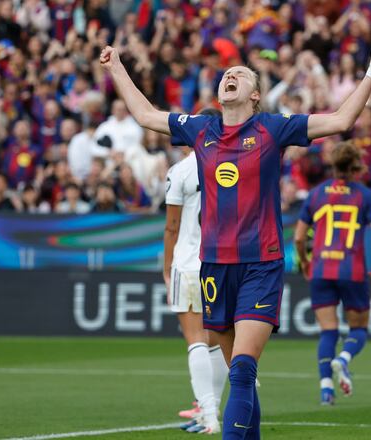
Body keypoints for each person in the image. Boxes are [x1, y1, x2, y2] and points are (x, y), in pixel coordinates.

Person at [99, 37, 371, 439]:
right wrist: (115, 66)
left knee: (241, 368)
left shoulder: (273, 128)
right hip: (215, 266)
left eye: (240, 74)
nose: (230, 76)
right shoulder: (200, 130)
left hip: (261, 263)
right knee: (241, 376)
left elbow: (340, 121)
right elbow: (147, 114)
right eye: (226, 75)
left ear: (255, 95)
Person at [293, 142, 371, 405]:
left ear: (333, 164)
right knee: (358, 328)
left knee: (328, 332)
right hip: (352, 269)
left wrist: (304, 261)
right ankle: (343, 359)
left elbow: (299, 238)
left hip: (321, 268)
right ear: (355, 164)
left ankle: (326, 389)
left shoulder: (315, 195)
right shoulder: (366, 195)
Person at [164, 108, 229, 434]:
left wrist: (166, 270)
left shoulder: (181, 171)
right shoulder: (230, 166)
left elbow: (172, 227)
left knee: (195, 341)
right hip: (221, 263)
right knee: (216, 341)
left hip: (188, 262)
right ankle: (210, 410)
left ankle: (208, 415)